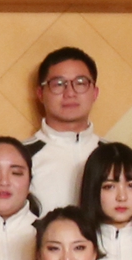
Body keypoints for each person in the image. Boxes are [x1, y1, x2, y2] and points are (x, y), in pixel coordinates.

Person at [23, 47, 104, 211]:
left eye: (80, 83)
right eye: (58, 84)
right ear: (40, 94)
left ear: (95, 93)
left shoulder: (113, 154)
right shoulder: (20, 157)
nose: (70, 93)